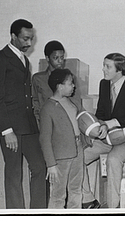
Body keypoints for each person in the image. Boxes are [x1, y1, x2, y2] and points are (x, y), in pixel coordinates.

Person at [0, 19, 46, 209]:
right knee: (14, 174)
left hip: (28, 126)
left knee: (39, 167)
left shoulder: (24, 59)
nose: (29, 43)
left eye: (31, 39)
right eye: (25, 39)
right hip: (11, 127)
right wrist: (6, 130)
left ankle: (38, 213)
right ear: (13, 36)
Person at [82, 53, 125, 209]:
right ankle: (88, 200)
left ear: (120, 70)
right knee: (78, 157)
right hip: (107, 137)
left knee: (113, 160)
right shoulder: (104, 84)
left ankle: (113, 208)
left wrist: (108, 124)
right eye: (104, 65)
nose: (103, 69)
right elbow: (102, 112)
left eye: (107, 66)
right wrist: (96, 129)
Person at [39, 69, 85, 209]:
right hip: (60, 157)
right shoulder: (48, 108)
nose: (73, 86)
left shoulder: (71, 103)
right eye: (70, 83)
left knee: (76, 189)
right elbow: (44, 138)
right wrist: (51, 164)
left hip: (77, 150)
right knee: (58, 195)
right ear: (60, 86)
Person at [32, 40, 66, 125]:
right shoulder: (38, 78)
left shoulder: (68, 78)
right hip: (45, 123)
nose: (60, 61)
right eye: (56, 58)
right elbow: (35, 102)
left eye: (62, 58)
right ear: (47, 58)